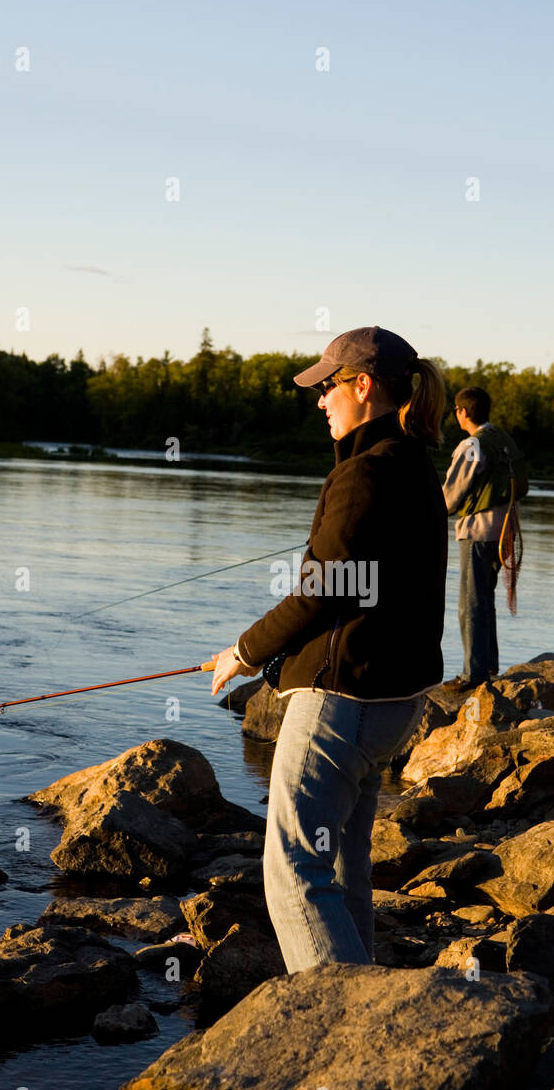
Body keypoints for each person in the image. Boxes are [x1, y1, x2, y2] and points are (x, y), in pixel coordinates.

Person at [209, 326, 448, 973]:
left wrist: (245, 652)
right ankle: (366, 1007)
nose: (320, 401)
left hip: (346, 702)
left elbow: (319, 595)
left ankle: (337, 1017)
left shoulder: (365, 472)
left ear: (362, 387)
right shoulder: (417, 465)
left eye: (327, 387)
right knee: (344, 866)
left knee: (293, 864)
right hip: (395, 702)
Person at [441, 386, 527, 691]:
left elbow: (452, 495)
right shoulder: (504, 439)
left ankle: (472, 674)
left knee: (470, 602)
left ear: (463, 412)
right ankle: (488, 664)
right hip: (505, 531)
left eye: (456, 410)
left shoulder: (473, 445)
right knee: (485, 597)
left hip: (478, 531)